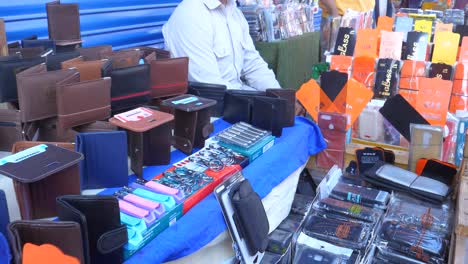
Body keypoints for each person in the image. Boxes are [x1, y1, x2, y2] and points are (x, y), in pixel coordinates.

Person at [162, 0, 281, 91]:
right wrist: (258, 104)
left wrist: (280, 97)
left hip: (238, 98)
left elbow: (253, 65)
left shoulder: (235, 13)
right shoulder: (191, 15)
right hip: (212, 114)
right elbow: (209, 87)